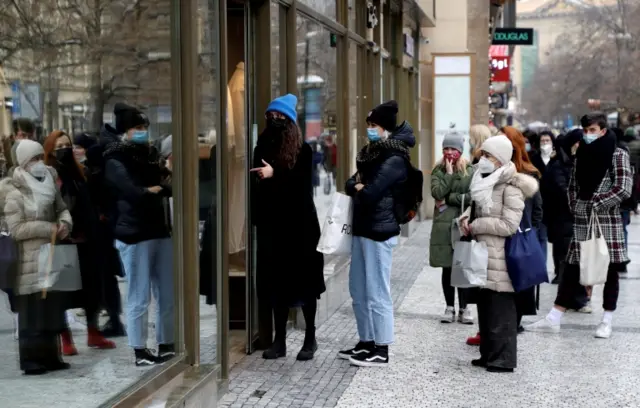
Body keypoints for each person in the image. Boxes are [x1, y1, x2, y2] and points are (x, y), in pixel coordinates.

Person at [526, 112, 632, 339]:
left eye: (592, 130)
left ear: (603, 130)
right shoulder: (581, 153)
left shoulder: (617, 154)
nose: (587, 135)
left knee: (610, 270)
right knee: (571, 268)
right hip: (583, 220)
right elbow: (573, 184)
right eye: (585, 131)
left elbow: (623, 188)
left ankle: (607, 319)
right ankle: (554, 316)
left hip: (607, 221)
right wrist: (575, 204)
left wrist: (596, 203)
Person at [338, 100, 415, 367]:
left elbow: (370, 193)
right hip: (362, 228)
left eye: (373, 125)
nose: (369, 130)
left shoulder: (394, 158)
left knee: (377, 290)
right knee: (358, 288)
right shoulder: (371, 153)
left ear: (385, 129)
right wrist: (358, 186)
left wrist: (360, 187)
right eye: (368, 125)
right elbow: (350, 182)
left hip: (380, 231)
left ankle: (381, 347)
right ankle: (366, 341)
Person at [250, 94, 325, 361]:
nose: (275, 120)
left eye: (280, 117)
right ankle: (279, 340)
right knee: (276, 285)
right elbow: (258, 188)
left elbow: (302, 189)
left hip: (300, 229)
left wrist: (275, 174)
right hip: (273, 228)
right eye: (271, 116)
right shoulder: (262, 147)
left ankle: (310, 338)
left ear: (290, 121)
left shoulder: (303, 151)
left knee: (304, 285)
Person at [459, 135, 538, 373]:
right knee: (486, 308)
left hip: (501, 257)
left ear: (500, 159)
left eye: (488, 155)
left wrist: (478, 225)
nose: (482, 159)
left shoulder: (511, 186)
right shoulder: (482, 180)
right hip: (483, 254)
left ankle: (503, 359)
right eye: (482, 154)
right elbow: (477, 209)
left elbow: (508, 225)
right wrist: (465, 219)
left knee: (501, 308)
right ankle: (488, 354)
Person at [103, 105, 174, 366]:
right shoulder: (115, 158)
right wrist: (152, 190)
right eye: (137, 128)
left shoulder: (150, 154)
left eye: (145, 127)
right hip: (134, 234)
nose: (142, 132)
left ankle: (167, 341)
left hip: (159, 230)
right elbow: (133, 190)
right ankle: (139, 348)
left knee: (167, 292)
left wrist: (159, 188)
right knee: (139, 294)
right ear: (125, 131)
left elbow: (165, 184)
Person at [0, 140, 74, 375]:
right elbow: (17, 229)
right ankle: (31, 360)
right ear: (23, 163)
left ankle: (51, 356)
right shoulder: (13, 191)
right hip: (28, 260)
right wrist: (48, 228)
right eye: (33, 159)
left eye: (41, 157)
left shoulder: (50, 181)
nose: (39, 163)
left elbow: (61, 208)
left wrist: (64, 223)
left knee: (51, 309)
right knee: (31, 312)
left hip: (52, 255)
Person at [43, 131, 117, 355]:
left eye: (67, 145)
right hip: (63, 241)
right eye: (60, 147)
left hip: (87, 240)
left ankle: (93, 331)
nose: (65, 150)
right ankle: (65, 337)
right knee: (63, 292)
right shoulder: (49, 175)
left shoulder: (80, 173)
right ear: (51, 150)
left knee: (91, 289)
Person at [500, 127, 543, 332]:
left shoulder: (528, 172)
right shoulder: (491, 169)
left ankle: (513, 324)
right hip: (497, 235)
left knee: (519, 284)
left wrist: (528, 234)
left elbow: (538, 209)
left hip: (520, 237)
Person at [541, 129, 590, 309]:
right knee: (568, 262)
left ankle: (575, 298)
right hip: (563, 221)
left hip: (575, 221)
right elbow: (562, 192)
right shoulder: (558, 167)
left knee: (576, 262)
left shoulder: (576, 163)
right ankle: (574, 300)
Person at [429, 132, 474, 324]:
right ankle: (449, 307)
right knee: (447, 268)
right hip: (443, 225)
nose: (449, 152)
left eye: (453, 149)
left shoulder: (470, 171)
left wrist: (450, 198)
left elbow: (473, 196)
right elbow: (437, 192)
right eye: (446, 148)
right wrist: (448, 175)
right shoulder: (438, 170)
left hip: (462, 223)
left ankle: (464, 308)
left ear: (460, 151)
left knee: (462, 267)